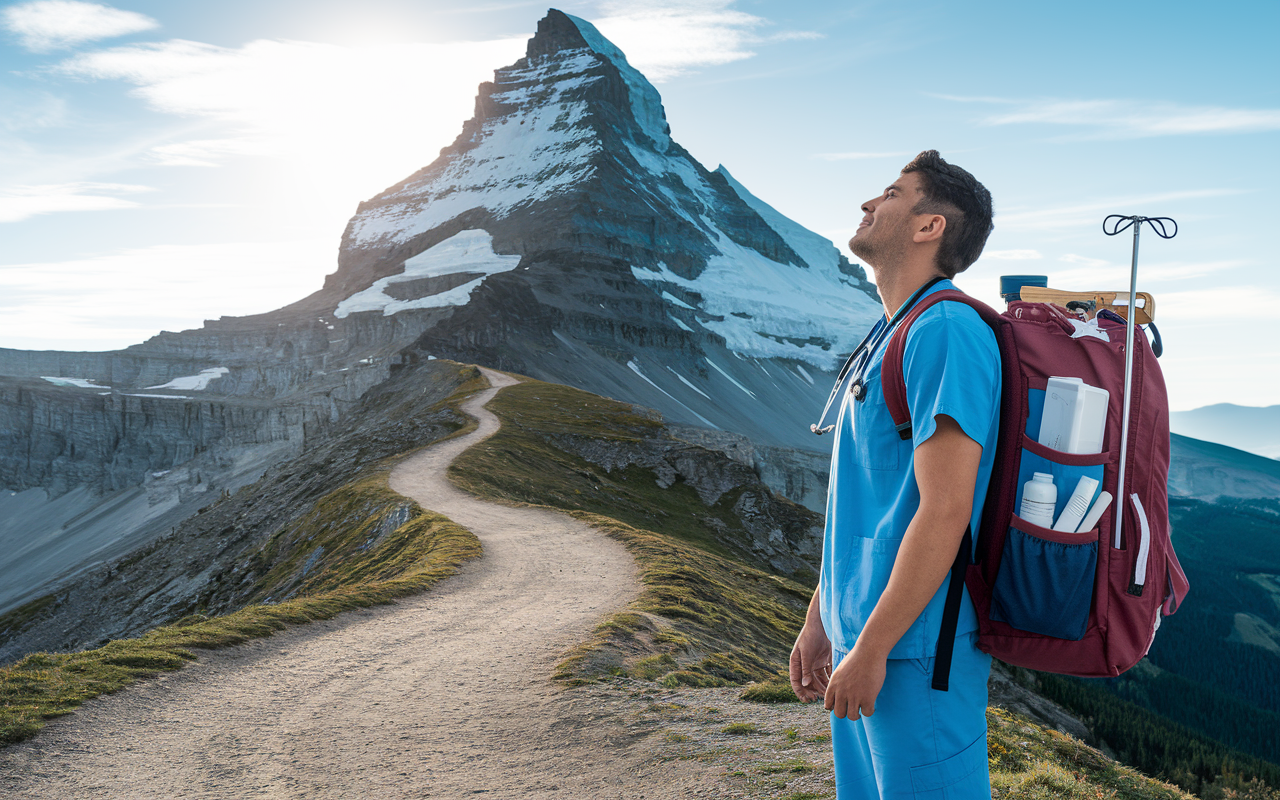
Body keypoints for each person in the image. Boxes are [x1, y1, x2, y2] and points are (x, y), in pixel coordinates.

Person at [790, 150, 999, 799]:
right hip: (867, 641)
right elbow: (870, 503)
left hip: (914, 654)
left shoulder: (945, 332)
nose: (867, 204)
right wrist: (821, 617)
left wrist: (875, 648)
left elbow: (945, 510)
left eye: (890, 192)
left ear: (928, 226)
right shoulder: (890, 333)